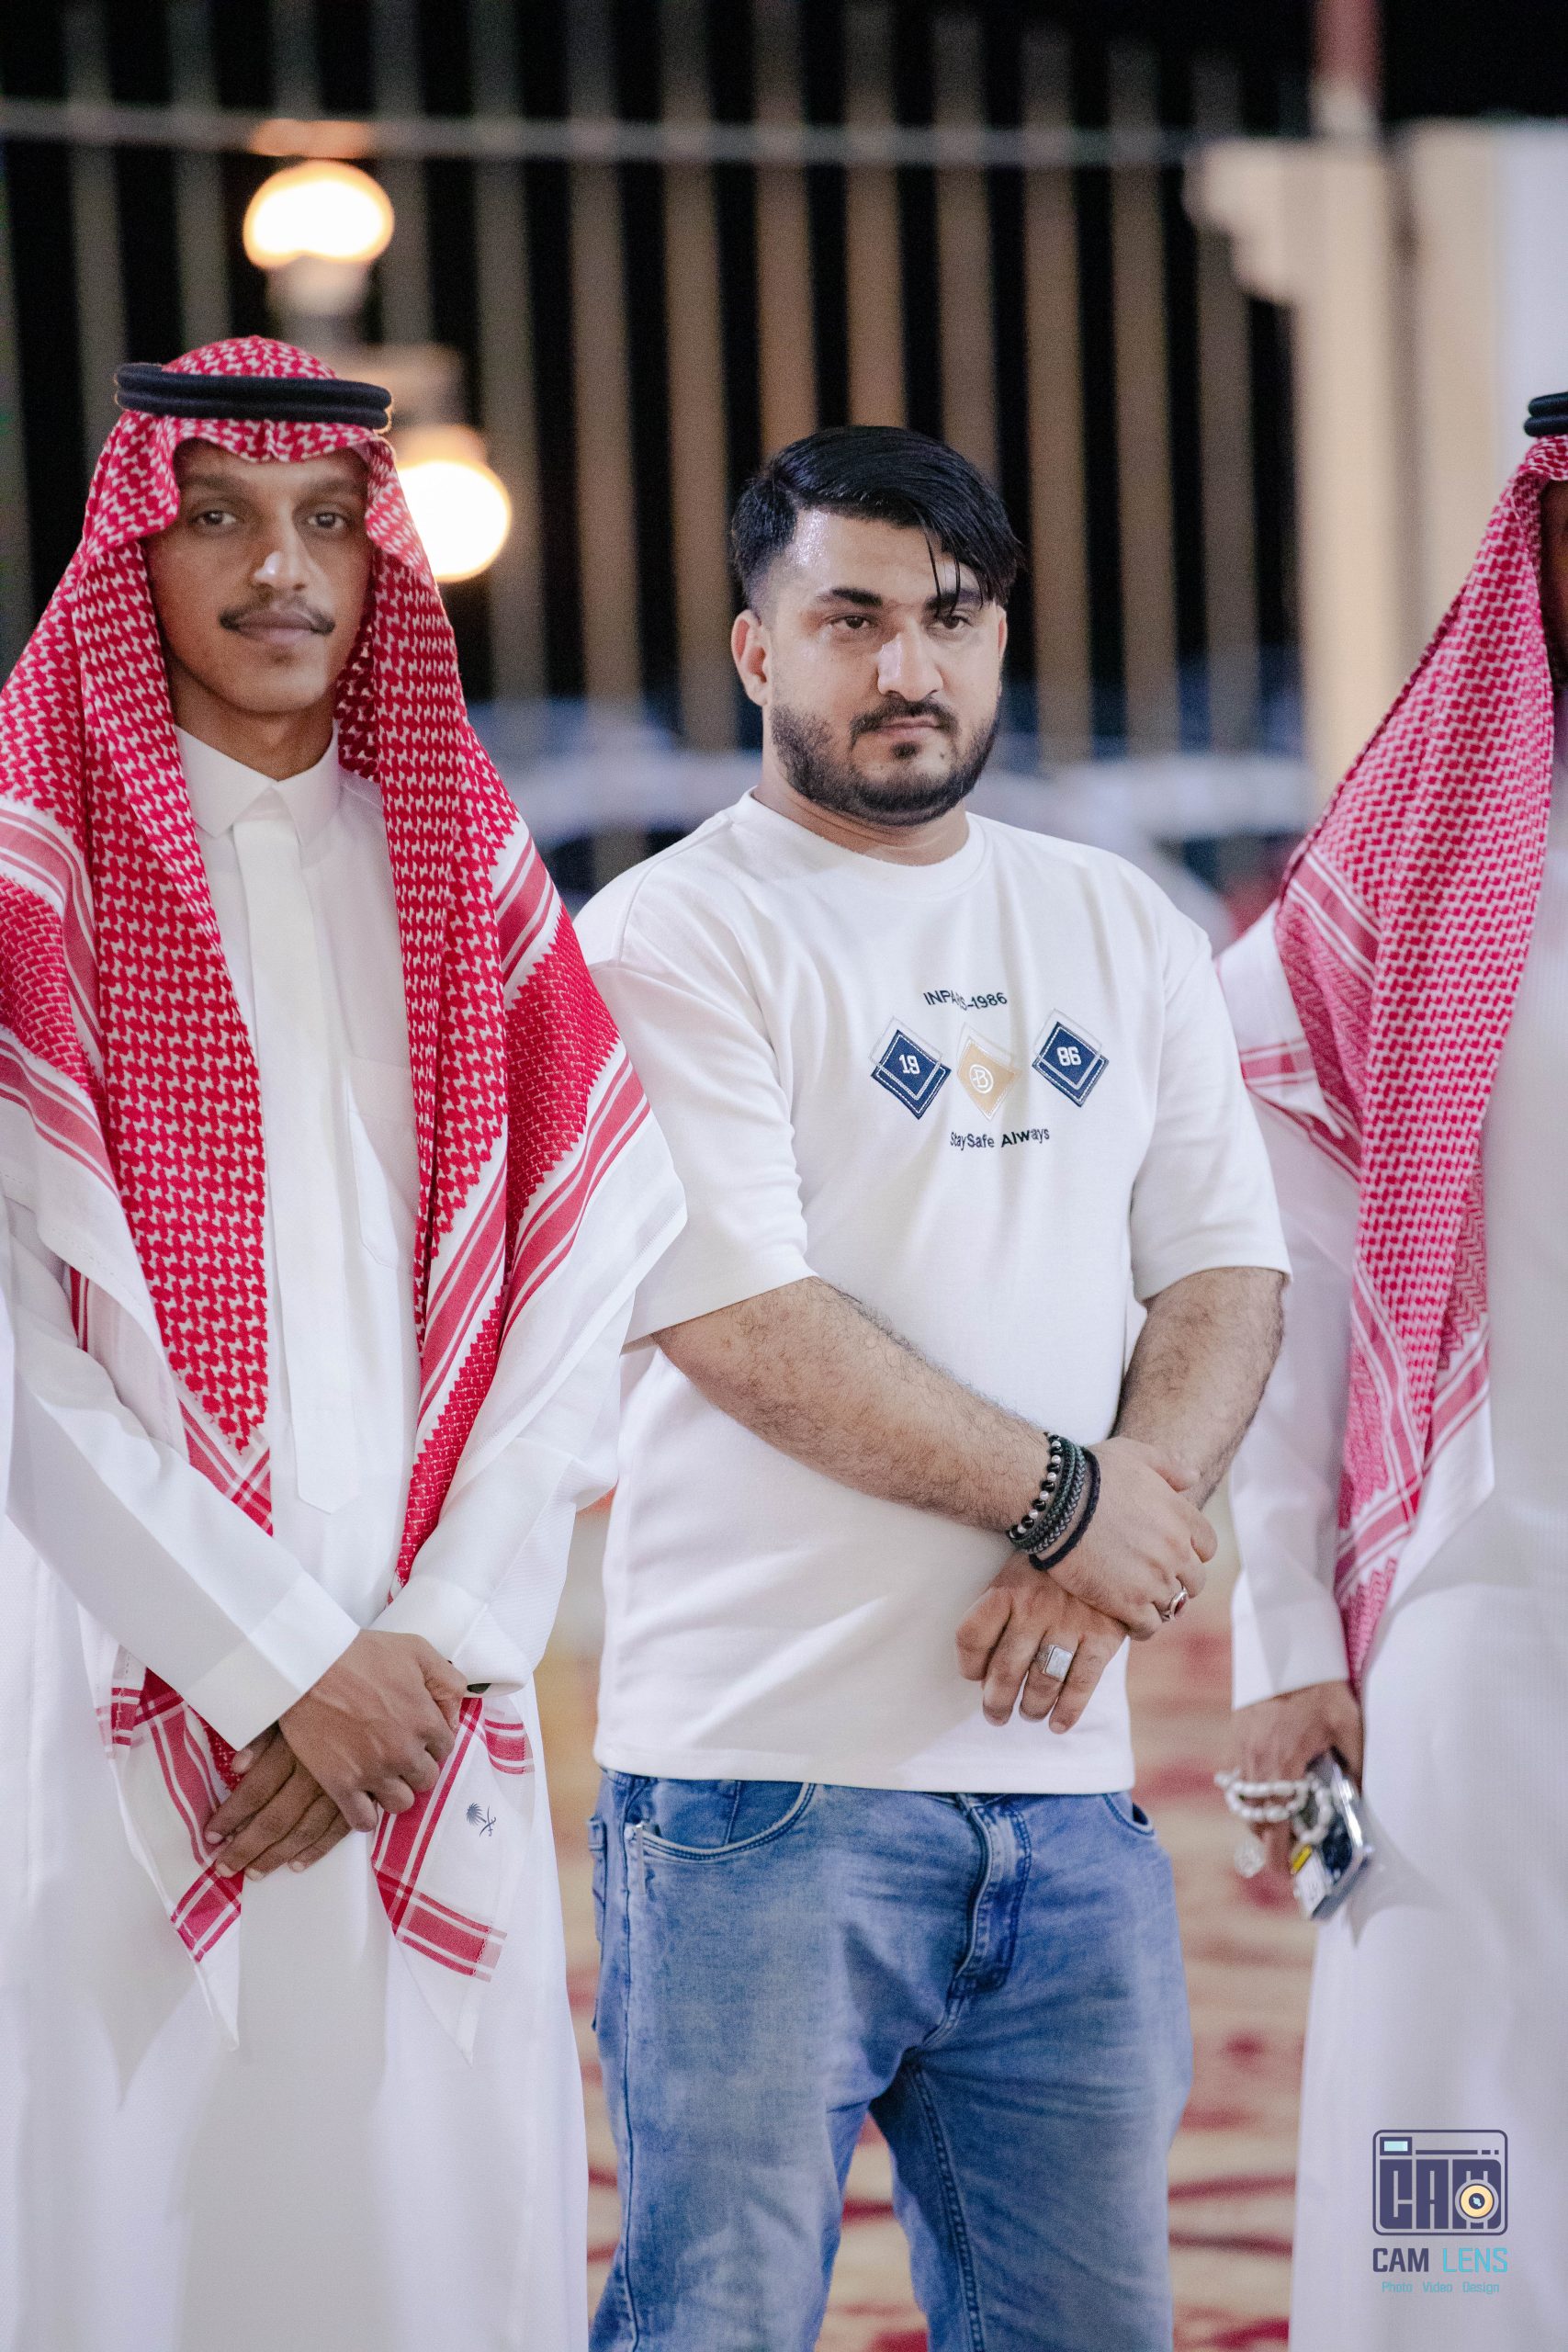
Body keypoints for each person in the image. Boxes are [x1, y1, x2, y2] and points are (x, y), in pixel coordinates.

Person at [574, 424, 1291, 2352]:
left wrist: (1108, 1534)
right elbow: (742, 1319)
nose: (909, 666)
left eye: (951, 618)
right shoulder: (671, 934)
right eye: (853, 619)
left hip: (1067, 1800)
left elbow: (1224, 1272)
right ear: (756, 650)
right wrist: (1071, 1502)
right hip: (755, 1791)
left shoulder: (1114, 920)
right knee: (714, 2322)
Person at [0, 339, 682, 2352]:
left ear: (383, 561)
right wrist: (278, 1662)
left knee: (425, 2220)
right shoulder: (34, 890)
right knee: (143, 2214)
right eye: (216, 516)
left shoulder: (468, 879)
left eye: (324, 521)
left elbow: (580, 1281)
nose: (278, 566)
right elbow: (24, 1363)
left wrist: (433, 1637)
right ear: (134, 551)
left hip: (423, 1699)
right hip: (125, 1674)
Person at [1221, 404, 1568, 2349]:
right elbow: (1280, 1293)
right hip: (1480, 1585)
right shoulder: (1414, 881)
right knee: (1451, 2099)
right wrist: (1284, 1628)